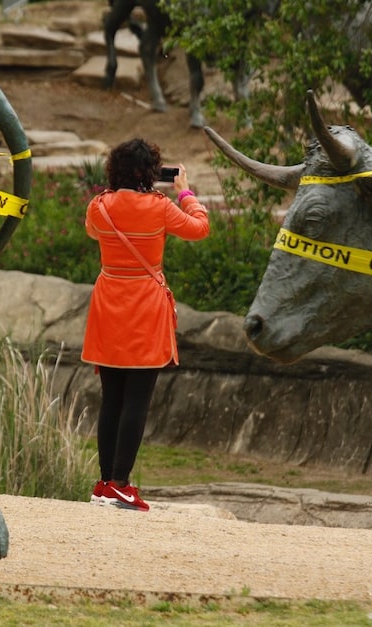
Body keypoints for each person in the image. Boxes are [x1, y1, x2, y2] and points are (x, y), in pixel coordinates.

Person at [82, 138, 210, 511]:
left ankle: (105, 483)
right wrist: (184, 191)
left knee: (112, 398)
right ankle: (122, 484)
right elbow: (199, 228)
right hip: (144, 307)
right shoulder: (160, 208)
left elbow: (93, 232)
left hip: (108, 304)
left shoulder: (99, 206)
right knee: (137, 400)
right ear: (151, 173)